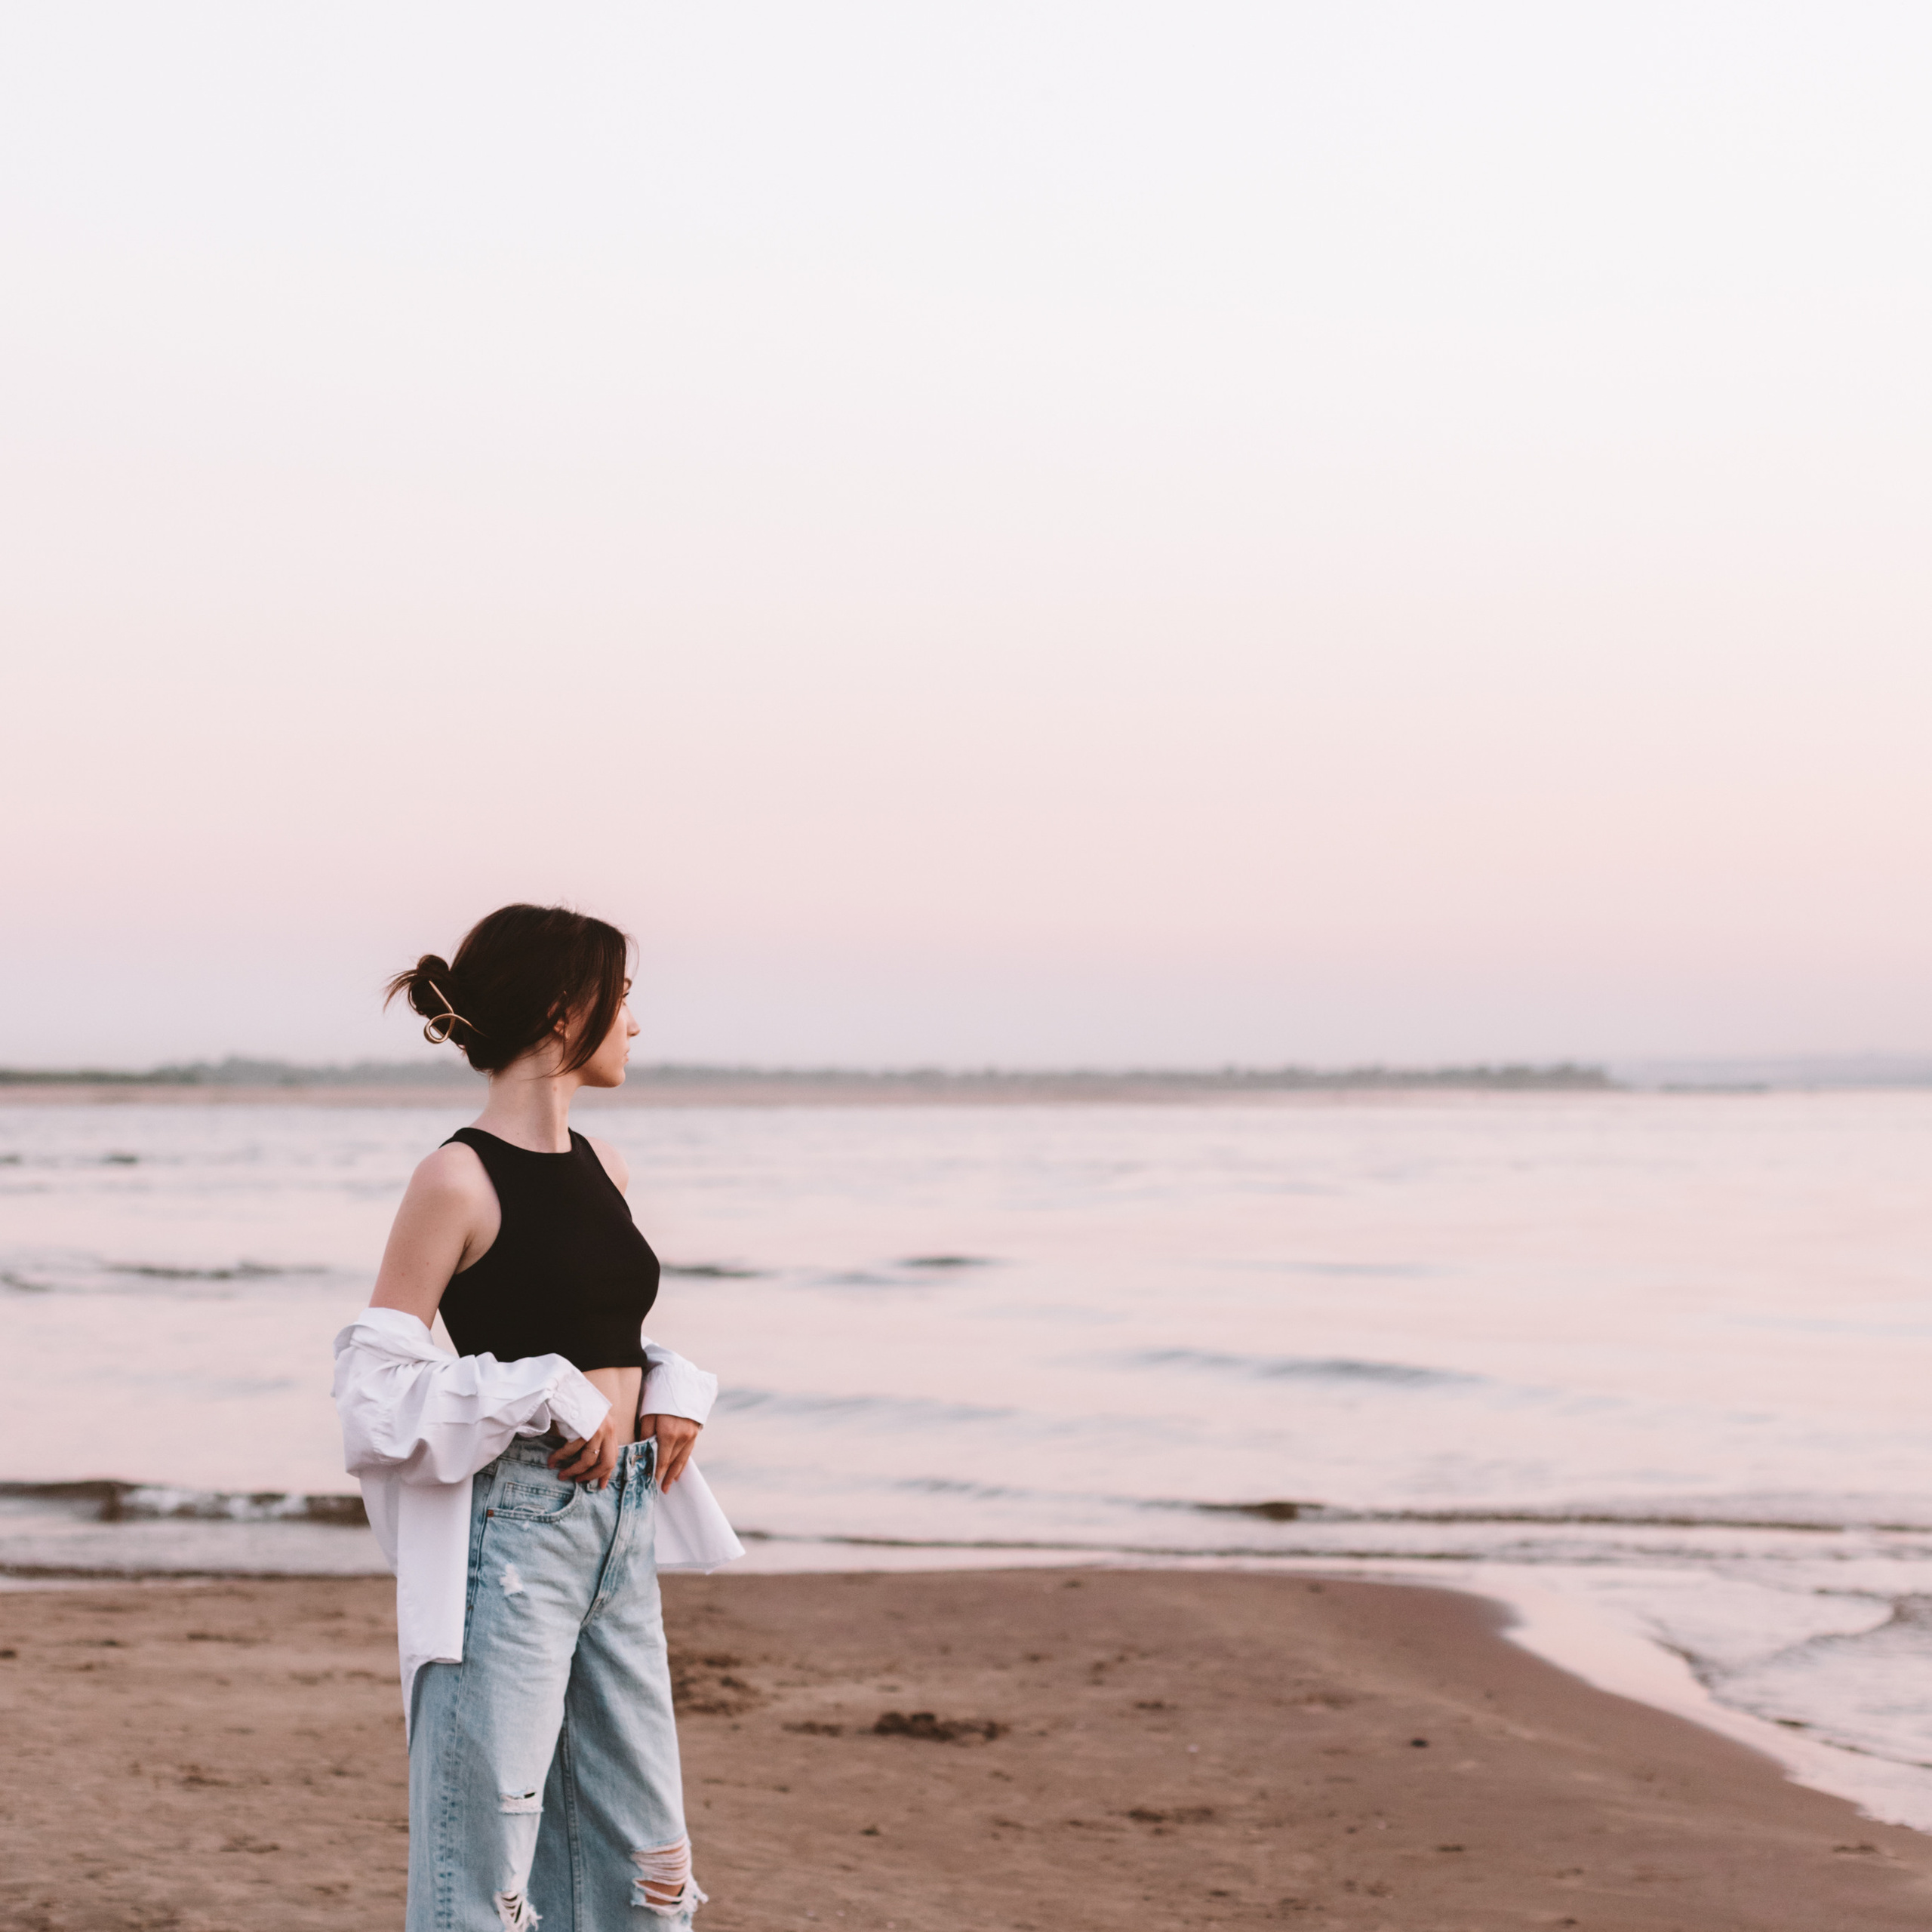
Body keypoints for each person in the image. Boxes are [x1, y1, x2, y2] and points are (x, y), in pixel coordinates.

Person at [331, 903, 741, 1931]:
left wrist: (670, 1391)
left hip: (621, 1528)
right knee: (485, 1867)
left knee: (645, 1864)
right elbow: (374, 1387)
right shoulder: (456, 1177)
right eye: (623, 999)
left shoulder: (608, 1167)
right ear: (565, 1010)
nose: (634, 1024)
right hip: (513, 1539)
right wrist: (546, 1390)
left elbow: (594, 1327)